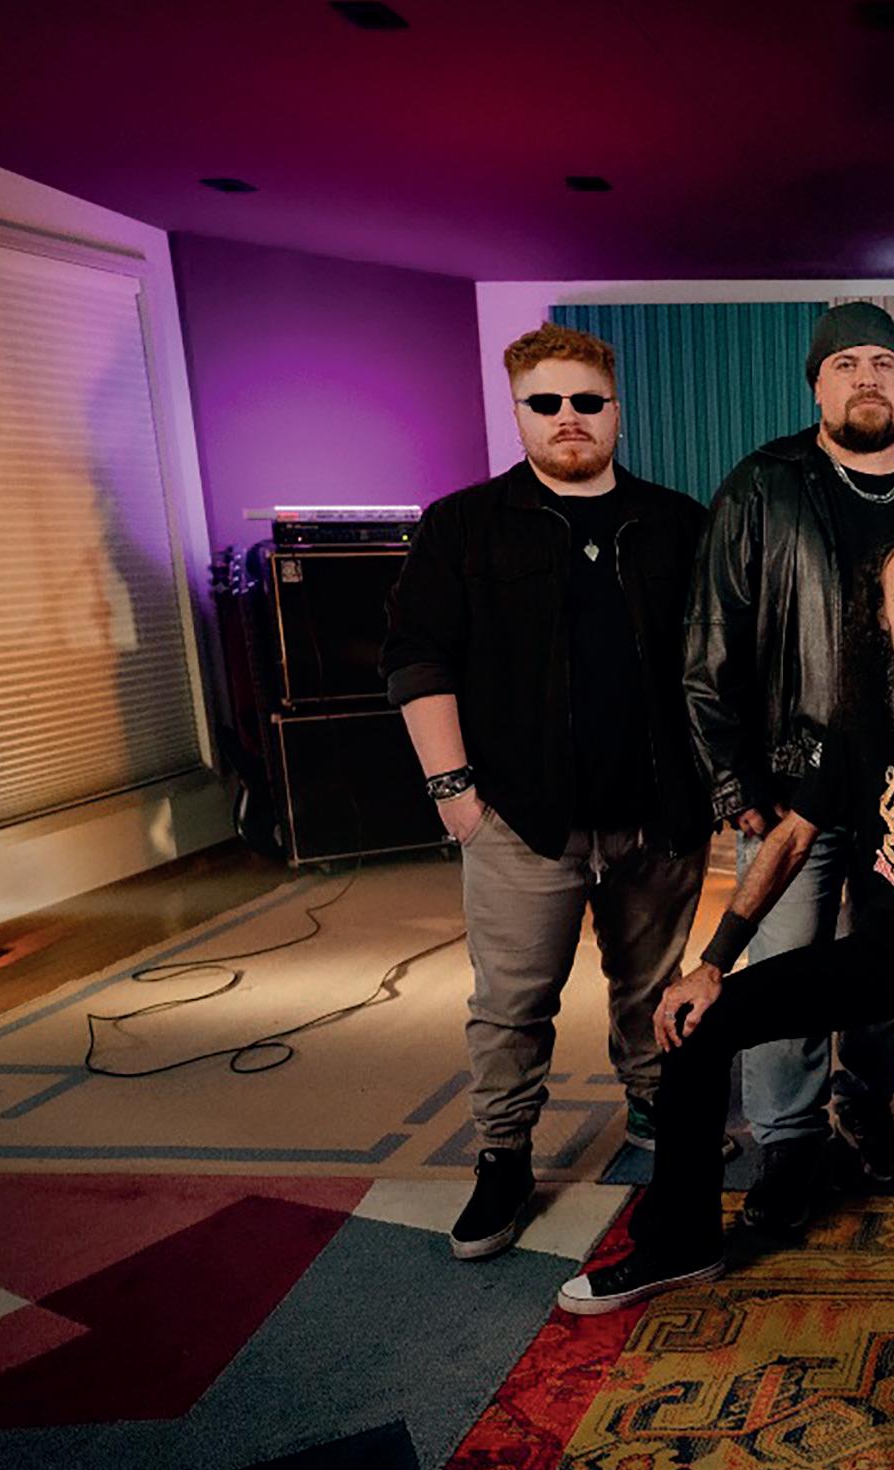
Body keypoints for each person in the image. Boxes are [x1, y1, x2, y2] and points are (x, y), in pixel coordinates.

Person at [560, 531, 894, 1470]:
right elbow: (792, 837)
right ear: (878, 614)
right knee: (703, 1022)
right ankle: (680, 1235)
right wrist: (712, 962)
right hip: (882, 952)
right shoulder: (862, 712)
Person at [381, 323, 711, 1260]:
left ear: (616, 411)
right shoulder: (462, 525)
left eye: (588, 401)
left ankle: (652, 1104)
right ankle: (504, 1157)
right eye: (547, 402)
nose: (570, 417)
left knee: (651, 986)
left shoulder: (677, 522)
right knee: (512, 1004)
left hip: (658, 816)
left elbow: (718, 662)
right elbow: (416, 657)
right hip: (522, 820)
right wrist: (454, 792)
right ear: (520, 410)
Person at [685, 302, 894, 1229]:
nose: (866, 378)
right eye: (845, 364)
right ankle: (789, 1143)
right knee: (788, 971)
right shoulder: (763, 487)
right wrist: (736, 784)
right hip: (790, 782)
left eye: (884, 363)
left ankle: (865, 1104)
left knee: (891, 966)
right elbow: (710, 643)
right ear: (817, 385)